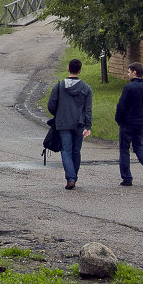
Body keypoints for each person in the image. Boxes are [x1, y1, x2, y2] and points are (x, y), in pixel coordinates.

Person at [47, 58, 93, 189]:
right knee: (76, 151)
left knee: (66, 151)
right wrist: (88, 126)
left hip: (63, 123)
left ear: (68, 68)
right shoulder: (86, 88)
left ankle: (70, 178)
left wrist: (59, 113)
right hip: (79, 124)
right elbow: (88, 109)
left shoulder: (59, 86)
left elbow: (51, 105)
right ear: (80, 70)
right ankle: (73, 177)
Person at [116, 61, 143, 186]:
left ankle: (127, 178)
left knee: (124, 149)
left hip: (127, 122)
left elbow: (121, 105)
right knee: (139, 147)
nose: (127, 74)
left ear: (135, 72)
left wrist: (119, 119)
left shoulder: (128, 88)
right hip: (141, 122)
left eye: (129, 71)